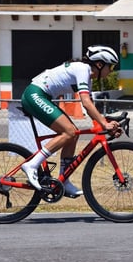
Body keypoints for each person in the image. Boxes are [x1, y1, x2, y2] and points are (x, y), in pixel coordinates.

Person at [20, 45, 122, 198]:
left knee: (73, 134)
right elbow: (86, 103)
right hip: (35, 94)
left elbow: (89, 108)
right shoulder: (83, 69)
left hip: (42, 96)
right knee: (69, 131)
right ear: (100, 65)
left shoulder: (87, 76)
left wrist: (106, 123)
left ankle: (64, 180)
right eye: (111, 66)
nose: (112, 70)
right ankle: (32, 165)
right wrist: (104, 123)